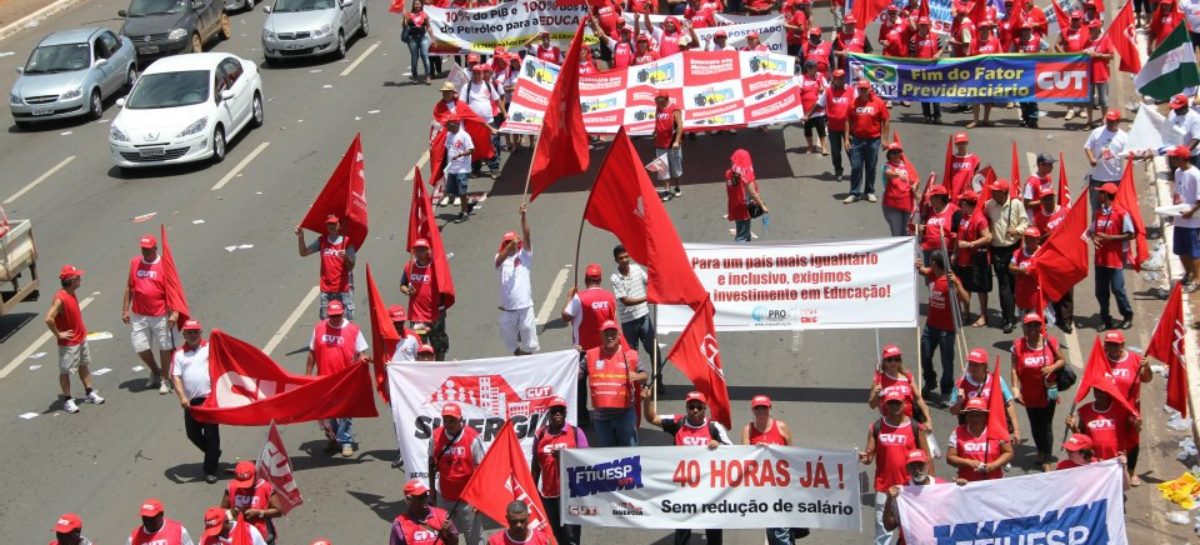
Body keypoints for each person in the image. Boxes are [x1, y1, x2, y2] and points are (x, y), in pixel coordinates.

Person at [643, 390, 730, 545]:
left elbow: (733, 452)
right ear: (686, 408)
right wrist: (647, 400)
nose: (695, 410)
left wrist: (719, 445)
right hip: (683, 486)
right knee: (683, 524)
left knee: (713, 524)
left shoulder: (714, 427)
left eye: (699, 406)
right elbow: (652, 418)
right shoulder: (678, 422)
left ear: (705, 408)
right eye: (691, 406)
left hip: (708, 486)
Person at [860, 389, 929, 545]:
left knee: (912, 530)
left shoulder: (915, 427)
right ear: (885, 404)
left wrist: (930, 484)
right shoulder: (876, 427)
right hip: (884, 487)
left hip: (911, 488)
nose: (894, 406)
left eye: (897, 402)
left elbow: (926, 457)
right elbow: (869, 456)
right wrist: (864, 457)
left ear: (904, 403)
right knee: (882, 533)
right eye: (891, 403)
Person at [305, 299, 368, 457]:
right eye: (332, 316)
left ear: (343, 313)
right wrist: (307, 375)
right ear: (328, 315)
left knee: (345, 412)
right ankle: (333, 438)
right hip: (325, 380)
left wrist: (362, 358)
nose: (335, 318)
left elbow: (362, 352)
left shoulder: (353, 330)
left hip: (345, 380)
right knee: (329, 412)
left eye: (338, 315)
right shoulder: (319, 328)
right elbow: (312, 353)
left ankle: (346, 441)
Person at [122, 234, 178, 394]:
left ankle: (165, 380)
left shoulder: (164, 265)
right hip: (140, 314)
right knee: (140, 347)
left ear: (155, 248)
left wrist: (174, 312)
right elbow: (129, 287)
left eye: (148, 249)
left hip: (161, 313)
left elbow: (173, 290)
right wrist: (125, 309)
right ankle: (156, 370)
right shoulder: (135, 263)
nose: (145, 252)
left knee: (165, 347)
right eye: (143, 249)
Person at [1009, 314, 1065, 471]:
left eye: (1036, 325)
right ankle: (1040, 450)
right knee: (1035, 424)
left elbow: (1062, 360)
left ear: (1042, 326)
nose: (1032, 329)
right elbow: (1014, 368)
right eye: (1029, 326)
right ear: (1024, 328)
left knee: (1046, 425)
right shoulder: (1018, 345)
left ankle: (1047, 458)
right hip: (1028, 393)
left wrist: (1052, 367)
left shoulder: (1050, 342)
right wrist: (1014, 388)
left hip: (1047, 392)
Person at [46, 264, 103, 414]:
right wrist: (59, 334)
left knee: (84, 365)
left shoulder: (71, 293)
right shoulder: (60, 298)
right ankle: (67, 400)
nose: (80, 279)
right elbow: (49, 319)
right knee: (66, 371)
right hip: (69, 342)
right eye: (78, 277)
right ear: (71, 281)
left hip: (80, 338)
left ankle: (89, 392)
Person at [741, 395, 797, 545]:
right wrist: (756, 449)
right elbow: (743, 457)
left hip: (781, 484)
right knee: (774, 526)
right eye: (757, 408)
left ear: (769, 409)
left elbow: (793, 455)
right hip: (762, 485)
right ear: (753, 410)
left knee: (780, 526)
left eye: (764, 408)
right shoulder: (748, 430)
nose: (760, 412)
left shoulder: (781, 427)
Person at [916, 252, 969, 405]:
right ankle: (930, 381)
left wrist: (957, 285)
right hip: (930, 327)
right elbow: (923, 271)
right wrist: (918, 266)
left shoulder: (951, 281)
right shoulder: (934, 273)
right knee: (925, 356)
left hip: (947, 330)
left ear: (933, 262)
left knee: (947, 362)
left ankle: (946, 391)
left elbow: (966, 299)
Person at [531, 397, 586, 545]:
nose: (557, 414)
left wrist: (565, 457)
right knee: (554, 536)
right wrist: (532, 490)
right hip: (549, 494)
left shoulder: (575, 432)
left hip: (572, 494)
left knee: (571, 537)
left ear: (565, 413)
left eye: (560, 411)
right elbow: (536, 463)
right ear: (549, 413)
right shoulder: (540, 434)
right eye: (554, 411)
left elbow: (587, 462)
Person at [1099, 329, 1151, 484]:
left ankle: (1131, 472)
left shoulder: (1135, 359)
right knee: (1111, 440)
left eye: (1116, 345)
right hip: (1109, 409)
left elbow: (1147, 379)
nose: (1113, 349)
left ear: (1123, 345)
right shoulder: (1101, 360)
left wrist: (1146, 367)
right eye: (1109, 345)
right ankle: (1112, 471)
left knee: (1132, 440)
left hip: (1130, 409)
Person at [171, 319, 220, 483]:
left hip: (210, 400)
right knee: (192, 434)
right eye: (189, 332)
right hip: (191, 402)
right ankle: (212, 453)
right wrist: (182, 397)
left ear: (200, 333)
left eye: (195, 332)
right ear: (184, 334)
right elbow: (175, 377)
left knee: (212, 436)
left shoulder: (210, 348)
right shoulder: (178, 354)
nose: (192, 335)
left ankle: (210, 470)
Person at [429, 403, 485, 545]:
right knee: (445, 537)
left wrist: (478, 498)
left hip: (467, 499)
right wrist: (432, 492)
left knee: (474, 539)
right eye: (445, 419)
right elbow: (431, 463)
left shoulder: (472, 438)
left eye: (452, 420)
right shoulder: (435, 437)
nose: (448, 424)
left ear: (461, 420)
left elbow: (480, 468)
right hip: (444, 496)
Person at [584, 320, 647, 446]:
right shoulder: (590, 355)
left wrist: (637, 376)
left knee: (630, 454)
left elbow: (645, 375)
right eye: (606, 334)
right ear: (601, 336)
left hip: (625, 414)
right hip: (602, 418)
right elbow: (577, 373)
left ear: (619, 336)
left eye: (613, 333)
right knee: (608, 456)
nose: (610, 337)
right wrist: (572, 357)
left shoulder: (631, 356)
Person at [611, 245, 664, 391]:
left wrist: (658, 273)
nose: (625, 260)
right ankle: (636, 387)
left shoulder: (637, 270)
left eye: (626, 257)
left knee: (654, 350)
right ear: (616, 260)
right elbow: (625, 301)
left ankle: (658, 381)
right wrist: (648, 298)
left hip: (644, 318)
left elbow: (650, 282)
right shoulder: (615, 278)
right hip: (628, 322)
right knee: (632, 356)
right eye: (621, 258)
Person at [881, 450, 962, 540]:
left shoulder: (942, 486)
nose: (917, 469)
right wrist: (889, 501)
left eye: (920, 465)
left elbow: (960, 512)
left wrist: (961, 488)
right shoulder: (900, 492)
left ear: (927, 466)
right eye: (913, 466)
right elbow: (889, 527)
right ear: (907, 469)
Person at [984, 179, 1029, 333]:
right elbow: (982, 218)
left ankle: (1015, 311)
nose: (992, 193)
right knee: (1003, 285)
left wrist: (1016, 231)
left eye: (995, 191)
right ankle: (1008, 318)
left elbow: (1025, 223)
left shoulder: (1016, 204)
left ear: (1003, 193)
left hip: (1014, 248)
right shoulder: (989, 205)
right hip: (997, 249)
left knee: (1014, 283)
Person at [1089, 183, 1136, 330]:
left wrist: (1111, 238)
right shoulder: (1098, 213)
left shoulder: (1121, 213)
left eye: (1101, 193)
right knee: (1101, 292)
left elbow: (1131, 234)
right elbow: (1091, 230)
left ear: (1107, 195)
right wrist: (1094, 238)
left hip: (1114, 259)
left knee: (1117, 289)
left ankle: (1127, 315)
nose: (1098, 195)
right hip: (1100, 259)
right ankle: (1105, 319)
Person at [496, 204, 539, 356]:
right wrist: (508, 248)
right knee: (509, 340)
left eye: (511, 242)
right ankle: (518, 355)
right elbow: (498, 261)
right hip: (508, 310)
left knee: (529, 341)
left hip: (525, 307)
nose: (510, 244)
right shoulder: (501, 259)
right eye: (506, 242)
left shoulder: (524, 256)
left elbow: (527, 235)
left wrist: (523, 217)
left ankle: (529, 361)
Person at [295, 215, 356, 320]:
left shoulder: (347, 242)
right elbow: (303, 252)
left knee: (345, 322)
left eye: (334, 224)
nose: (331, 227)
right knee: (326, 322)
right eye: (329, 224)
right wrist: (301, 237)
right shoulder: (322, 240)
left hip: (343, 290)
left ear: (339, 225)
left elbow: (351, 266)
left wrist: (345, 257)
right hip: (326, 291)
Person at [400, 238, 449, 360]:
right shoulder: (409, 267)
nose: (419, 253)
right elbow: (402, 285)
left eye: (422, 250)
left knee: (439, 345)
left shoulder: (436, 267)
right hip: (418, 317)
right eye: (417, 250)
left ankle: (440, 370)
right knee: (419, 345)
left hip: (435, 316)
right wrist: (407, 291)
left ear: (429, 251)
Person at [945, 398, 1014, 482]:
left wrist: (994, 465)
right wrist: (968, 463)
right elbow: (950, 457)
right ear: (966, 416)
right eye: (971, 415)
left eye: (978, 415)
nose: (975, 419)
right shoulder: (957, 432)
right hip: (966, 482)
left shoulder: (997, 430)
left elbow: (1008, 452)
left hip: (995, 481)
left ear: (985, 416)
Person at [869, 344, 934, 431]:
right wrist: (876, 394)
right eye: (889, 360)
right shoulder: (879, 380)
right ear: (884, 362)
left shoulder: (907, 377)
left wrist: (928, 420)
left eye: (896, 359)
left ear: (900, 361)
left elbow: (919, 399)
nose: (893, 363)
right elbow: (872, 405)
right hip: (888, 425)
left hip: (908, 423)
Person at [845, 80, 889, 204]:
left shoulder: (878, 102)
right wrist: (846, 138)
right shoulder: (853, 102)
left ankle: (869, 191)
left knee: (871, 167)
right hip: (857, 140)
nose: (862, 91)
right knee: (856, 167)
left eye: (865, 89)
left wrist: (885, 139)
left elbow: (886, 120)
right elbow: (847, 120)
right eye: (860, 89)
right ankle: (854, 193)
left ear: (870, 89)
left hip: (873, 140)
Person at [953, 191, 992, 327]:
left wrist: (970, 244)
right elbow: (959, 236)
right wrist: (955, 253)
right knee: (964, 287)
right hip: (963, 260)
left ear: (965, 203)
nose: (959, 204)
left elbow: (988, 237)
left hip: (977, 259)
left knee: (981, 289)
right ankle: (966, 313)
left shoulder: (979, 218)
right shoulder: (964, 216)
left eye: (961, 202)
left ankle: (983, 316)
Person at [221, 461, 283, 544]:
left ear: (255, 475)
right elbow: (222, 512)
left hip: (263, 536)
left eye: (247, 482)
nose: (245, 487)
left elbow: (278, 511)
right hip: (239, 537)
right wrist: (232, 513)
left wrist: (259, 513)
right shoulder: (231, 487)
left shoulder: (266, 487)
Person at [562, 264, 619, 352]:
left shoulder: (579, 297)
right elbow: (614, 321)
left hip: (584, 349)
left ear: (586, 279)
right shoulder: (610, 297)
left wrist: (570, 297)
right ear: (600, 280)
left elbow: (565, 317)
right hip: (606, 348)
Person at [461, 65, 504, 179]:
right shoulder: (467, 87)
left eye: (478, 73)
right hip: (473, 123)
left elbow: (497, 99)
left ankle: (494, 169)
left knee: (491, 145)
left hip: (489, 122)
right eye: (474, 73)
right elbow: (461, 104)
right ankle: (476, 169)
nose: (476, 76)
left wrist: (505, 113)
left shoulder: (488, 85)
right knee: (474, 146)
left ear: (482, 74)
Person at [1083, 110, 1127, 213]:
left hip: (1115, 178)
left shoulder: (1124, 137)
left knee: (1115, 209)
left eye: (1113, 121)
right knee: (1096, 209)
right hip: (1097, 178)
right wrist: (1091, 159)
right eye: (1108, 120)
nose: (1110, 123)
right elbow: (1087, 147)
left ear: (1118, 121)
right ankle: (1095, 227)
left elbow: (1127, 156)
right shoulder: (1097, 132)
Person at [390, 480, 460, 545]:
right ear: (409, 500)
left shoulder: (442, 515)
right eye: (420, 497)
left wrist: (449, 533)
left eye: (426, 495)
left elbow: (454, 543)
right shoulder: (400, 523)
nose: (425, 499)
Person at [1169, 144, 1200, 292]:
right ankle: (1188, 273)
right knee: (1180, 250)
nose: (1172, 159)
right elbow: (1177, 193)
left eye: (1174, 157)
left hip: (1192, 221)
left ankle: (1197, 279)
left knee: (1193, 251)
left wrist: (1191, 212)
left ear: (1181, 158)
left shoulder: (1196, 174)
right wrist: (1171, 209)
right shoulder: (1178, 172)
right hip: (1179, 217)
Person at [1011, 23, 1049, 128]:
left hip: (1033, 73)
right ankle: (1025, 118)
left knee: (1032, 97)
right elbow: (1009, 55)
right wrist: (1017, 55)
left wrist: (1042, 60)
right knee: (1022, 97)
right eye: (1023, 30)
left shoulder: (1037, 39)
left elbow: (1048, 49)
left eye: (1027, 29)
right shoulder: (1017, 41)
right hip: (1021, 74)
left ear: (1031, 30)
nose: (1025, 32)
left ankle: (1033, 119)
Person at [726, 149, 769, 242]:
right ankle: (741, 255)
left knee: (743, 231)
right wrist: (763, 206)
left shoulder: (729, 174)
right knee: (742, 236)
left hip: (735, 206)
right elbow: (753, 193)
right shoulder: (746, 175)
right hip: (744, 208)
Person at [966, 21, 1002, 128]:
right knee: (976, 98)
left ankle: (986, 119)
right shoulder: (973, 42)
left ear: (989, 30)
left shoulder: (995, 41)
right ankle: (975, 120)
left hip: (990, 74)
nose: (984, 30)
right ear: (979, 30)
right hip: (977, 74)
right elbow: (968, 56)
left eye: (986, 28)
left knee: (989, 98)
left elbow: (1000, 55)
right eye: (982, 28)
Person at [820, 70, 853, 181]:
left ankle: (855, 170)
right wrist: (807, 115)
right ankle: (838, 171)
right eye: (838, 78)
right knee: (836, 151)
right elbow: (819, 104)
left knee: (851, 150)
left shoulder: (852, 90)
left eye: (843, 77)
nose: (841, 80)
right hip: (833, 127)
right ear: (834, 79)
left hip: (849, 128)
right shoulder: (828, 91)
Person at [908, 17, 942, 123]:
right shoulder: (914, 39)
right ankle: (926, 115)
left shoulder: (935, 37)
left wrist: (938, 54)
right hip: (921, 70)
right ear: (918, 26)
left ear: (929, 26)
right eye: (921, 25)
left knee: (935, 93)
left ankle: (937, 116)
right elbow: (912, 54)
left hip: (934, 70)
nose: (923, 27)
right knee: (923, 93)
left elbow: (941, 49)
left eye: (925, 25)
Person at [443, 115, 475, 223]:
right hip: (452, 168)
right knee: (452, 191)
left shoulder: (464, 135)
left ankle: (464, 213)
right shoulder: (449, 134)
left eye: (448, 125)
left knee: (461, 192)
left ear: (455, 124)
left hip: (462, 168)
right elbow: (448, 148)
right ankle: (469, 201)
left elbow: (471, 150)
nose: (446, 127)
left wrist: (460, 154)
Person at [653, 90, 684, 200]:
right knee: (662, 168)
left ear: (665, 99)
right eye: (655, 100)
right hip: (660, 143)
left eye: (658, 99)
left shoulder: (674, 109)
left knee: (676, 167)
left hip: (672, 144)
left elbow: (680, 126)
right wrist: (654, 132)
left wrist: (676, 141)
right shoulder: (658, 108)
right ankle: (667, 190)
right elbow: (657, 121)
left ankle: (677, 187)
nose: (655, 101)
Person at [880, 142, 915, 237]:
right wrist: (899, 174)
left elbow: (914, 178)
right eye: (893, 152)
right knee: (897, 233)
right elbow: (888, 173)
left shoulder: (907, 165)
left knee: (907, 231)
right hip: (892, 204)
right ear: (889, 155)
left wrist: (915, 187)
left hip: (907, 203)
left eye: (898, 152)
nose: (896, 154)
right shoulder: (887, 166)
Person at [919, 185, 960, 264]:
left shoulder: (955, 211)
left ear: (939, 198)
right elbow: (924, 229)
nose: (929, 199)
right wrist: (922, 229)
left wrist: (955, 253)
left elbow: (959, 234)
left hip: (946, 251)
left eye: (932, 197)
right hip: (928, 250)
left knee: (944, 276)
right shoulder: (928, 210)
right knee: (929, 275)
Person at [1008, 226, 1043, 318]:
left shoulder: (1043, 253)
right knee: (1025, 324)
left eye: (1031, 239)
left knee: (1038, 325)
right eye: (1026, 238)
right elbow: (1011, 268)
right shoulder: (1018, 252)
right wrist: (1023, 271)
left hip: (1038, 297)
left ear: (1038, 240)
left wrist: (1032, 271)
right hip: (1022, 295)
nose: (1028, 241)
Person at [128, 499, 194, 545]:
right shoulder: (134, 538)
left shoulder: (179, 531)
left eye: (151, 518)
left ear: (161, 514)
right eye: (145, 518)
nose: (147, 522)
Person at [797, 60, 828, 155]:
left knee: (821, 129)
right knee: (807, 130)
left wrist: (824, 88)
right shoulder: (801, 78)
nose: (816, 69)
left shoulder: (820, 77)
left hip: (819, 110)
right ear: (808, 69)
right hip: (806, 111)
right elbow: (797, 91)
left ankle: (823, 147)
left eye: (816, 67)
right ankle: (810, 147)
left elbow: (829, 88)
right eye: (814, 67)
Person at [488, 501, 552, 545]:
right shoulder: (495, 541)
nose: (518, 525)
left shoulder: (543, 540)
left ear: (528, 517)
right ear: (507, 518)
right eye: (514, 521)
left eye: (522, 521)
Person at [200, 507, 267, 545]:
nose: (214, 533)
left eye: (217, 528)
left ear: (226, 520)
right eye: (211, 529)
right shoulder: (206, 538)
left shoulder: (249, 531)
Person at [1166, 93, 1200, 169]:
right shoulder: (1172, 113)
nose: (1175, 110)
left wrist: (1184, 153)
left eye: (1178, 108)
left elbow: (1196, 138)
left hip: (1191, 156)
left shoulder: (1195, 118)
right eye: (1174, 108)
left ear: (1185, 107)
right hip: (1174, 153)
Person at [402, 0, 433, 84]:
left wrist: (433, 38)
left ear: (421, 5)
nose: (417, 5)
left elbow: (429, 27)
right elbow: (404, 26)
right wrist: (404, 18)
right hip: (412, 39)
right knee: (414, 58)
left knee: (424, 55)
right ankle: (415, 76)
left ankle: (428, 76)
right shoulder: (409, 14)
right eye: (415, 4)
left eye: (418, 4)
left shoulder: (425, 15)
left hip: (423, 38)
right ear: (413, 5)